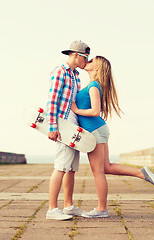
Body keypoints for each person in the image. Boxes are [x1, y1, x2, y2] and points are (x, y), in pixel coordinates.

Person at [71, 56, 154, 218]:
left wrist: (76, 110)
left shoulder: (93, 87)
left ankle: (101, 209)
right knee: (106, 167)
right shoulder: (93, 85)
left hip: (94, 130)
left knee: (98, 171)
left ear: (96, 68)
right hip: (99, 129)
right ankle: (141, 173)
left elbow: (95, 112)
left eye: (91, 61)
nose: (88, 62)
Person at [46, 40, 90, 220]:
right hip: (62, 124)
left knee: (71, 168)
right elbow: (52, 100)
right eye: (85, 58)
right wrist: (52, 127)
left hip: (73, 126)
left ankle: (68, 206)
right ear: (76, 55)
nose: (86, 62)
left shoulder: (76, 76)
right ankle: (52, 209)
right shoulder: (60, 72)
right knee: (61, 166)